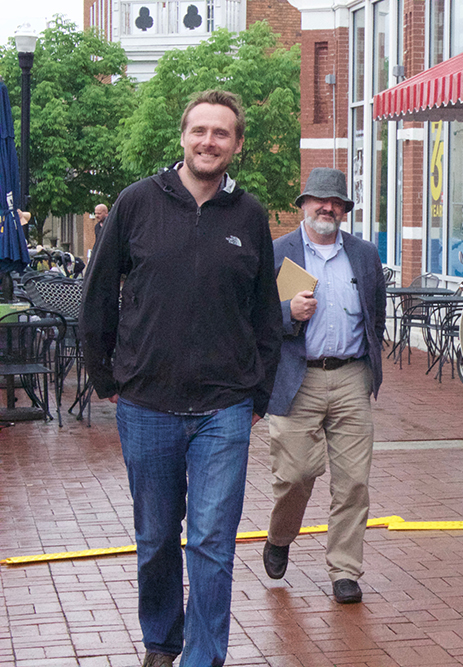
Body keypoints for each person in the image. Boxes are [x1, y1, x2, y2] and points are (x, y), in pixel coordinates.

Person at [80, 89, 283, 667]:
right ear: (183, 137)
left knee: (214, 543)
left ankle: (204, 657)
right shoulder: (137, 203)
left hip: (225, 409)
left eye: (221, 134)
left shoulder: (249, 214)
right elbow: (97, 298)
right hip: (146, 405)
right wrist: (105, 378)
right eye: (200, 131)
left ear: (236, 145)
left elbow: (266, 313)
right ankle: (161, 642)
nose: (209, 142)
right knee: (156, 541)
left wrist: (258, 393)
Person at [261, 168, 387, 605]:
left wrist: (373, 367)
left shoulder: (365, 255)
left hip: (352, 376)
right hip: (298, 376)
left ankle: (345, 571)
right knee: (295, 474)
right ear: (303, 204)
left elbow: (376, 313)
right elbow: (251, 319)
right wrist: (285, 312)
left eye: (335, 202)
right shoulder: (277, 253)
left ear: (345, 211)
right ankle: (280, 536)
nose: (326, 208)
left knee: (353, 482)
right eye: (318, 200)